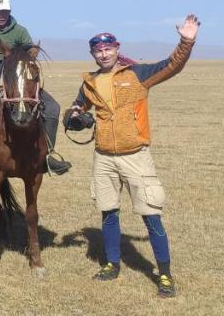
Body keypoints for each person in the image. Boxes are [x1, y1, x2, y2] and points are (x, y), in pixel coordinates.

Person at [64, 16, 199, 298]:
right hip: (103, 158)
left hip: (135, 156)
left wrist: (186, 41)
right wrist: (75, 116)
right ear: (93, 54)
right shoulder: (90, 82)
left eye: (108, 49)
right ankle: (112, 264)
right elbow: (76, 107)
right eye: (98, 51)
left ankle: (164, 274)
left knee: (151, 215)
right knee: (109, 212)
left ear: (116, 49)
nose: (103, 54)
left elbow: (172, 65)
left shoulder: (137, 74)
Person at [0, 0, 70, 175]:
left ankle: (48, 155)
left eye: (4, 11)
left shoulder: (20, 30)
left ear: (9, 10)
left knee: (52, 107)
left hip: (17, 68)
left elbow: (30, 54)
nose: (1, 15)